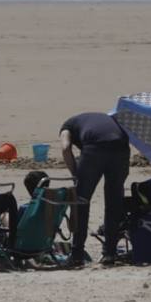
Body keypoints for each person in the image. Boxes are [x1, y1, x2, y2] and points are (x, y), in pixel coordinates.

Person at [60, 111, 129, 265]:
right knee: (114, 202)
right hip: (122, 147)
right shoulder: (101, 119)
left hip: (95, 148)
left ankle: (77, 254)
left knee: (81, 201)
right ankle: (110, 253)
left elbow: (65, 148)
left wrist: (75, 174)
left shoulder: (67, 126)